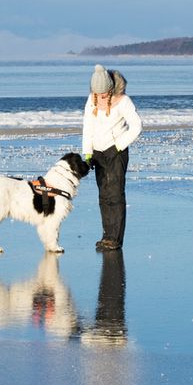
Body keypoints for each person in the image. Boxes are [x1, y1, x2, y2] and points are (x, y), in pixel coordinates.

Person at [82, 64, 142, 251]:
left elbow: (137, 126)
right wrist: (88, 153)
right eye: (97, 94)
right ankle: (107, 235)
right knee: (104, 195)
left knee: (115, 194)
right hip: (98, 153)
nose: (100, 98)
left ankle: (115, 239)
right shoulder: (91, 100)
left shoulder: (123, 101)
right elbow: (88, 126)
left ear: (110, 89)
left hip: (116, 152)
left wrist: (118, 146)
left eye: (104, 94)